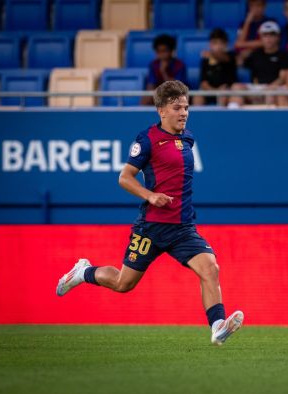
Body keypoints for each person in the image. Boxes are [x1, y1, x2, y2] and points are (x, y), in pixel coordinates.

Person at [56, 81, 244, 345]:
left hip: (182, 228)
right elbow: (125, 177)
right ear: (161, 110)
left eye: (186, 107)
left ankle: (217, 326)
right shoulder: (147, 140)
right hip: (151, 228)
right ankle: (83, 272)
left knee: (210, 268)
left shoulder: (187, 137)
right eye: (177, 107)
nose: (183, 113)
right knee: (123, 284)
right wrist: (150, 195)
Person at [230, 21, 286, 107]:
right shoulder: (255, 54)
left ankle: (270, 119)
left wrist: (270, 88)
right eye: (265, 35)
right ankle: (232, 115)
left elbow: (283, 77)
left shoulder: (284, 55)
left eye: (272, 35)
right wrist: (244, 53)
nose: (268, 38)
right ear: (261, 38)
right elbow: (238, 61)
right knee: (236, 87)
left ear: (278, 37)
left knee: (273, 93)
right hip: (257, 88)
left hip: (275, 88)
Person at [194, 29, 238, 107]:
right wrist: (215, 91)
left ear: (226, 45)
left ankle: (221, 118)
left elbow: (224, 58)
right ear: (210, 45)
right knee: (198, 97)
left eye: (221, 43)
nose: (218, 46)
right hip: (211, 91)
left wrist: (211, 54)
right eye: (215, 43)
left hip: (227, 92)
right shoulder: (205, 60)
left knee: (223, 94)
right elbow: (204, 83)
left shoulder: (231, 57)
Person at [141, 34, 187, 105]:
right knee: (146, 98)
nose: (161, 54)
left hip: (175, 94)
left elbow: (177, 88)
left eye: (164, 51)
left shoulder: (180, 65)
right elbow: (150, 86)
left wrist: (164, 72)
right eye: (159, 51)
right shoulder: (153, 65)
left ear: (171, 51)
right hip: (159, 93)